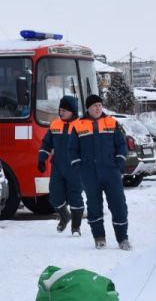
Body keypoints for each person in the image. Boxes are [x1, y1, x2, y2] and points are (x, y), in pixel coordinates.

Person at [69, 94, 131, 250]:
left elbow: (122, 145)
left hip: (111, 172)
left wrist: (119, 161)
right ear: (88, 108)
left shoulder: (111, 122)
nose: (97, 108)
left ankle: (122, 238)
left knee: (118, 205)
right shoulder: (78, 125)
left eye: (99, 105)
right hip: (89, 173)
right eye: (94, 106)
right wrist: (79, 166)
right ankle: (99, 238)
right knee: (94, 206)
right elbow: (72, 149)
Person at [37, 95, 84, 236]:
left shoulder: (82, 126)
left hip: (76, 168)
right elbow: (46, 143)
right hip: (58, 167)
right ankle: (65, 216)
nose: (61, 112)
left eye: (64, 110)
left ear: (72, 111)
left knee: (75, 197)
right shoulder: (55, 124)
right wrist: (41, 158)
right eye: (60, 109)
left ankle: (76, 227)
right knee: (54, 196)